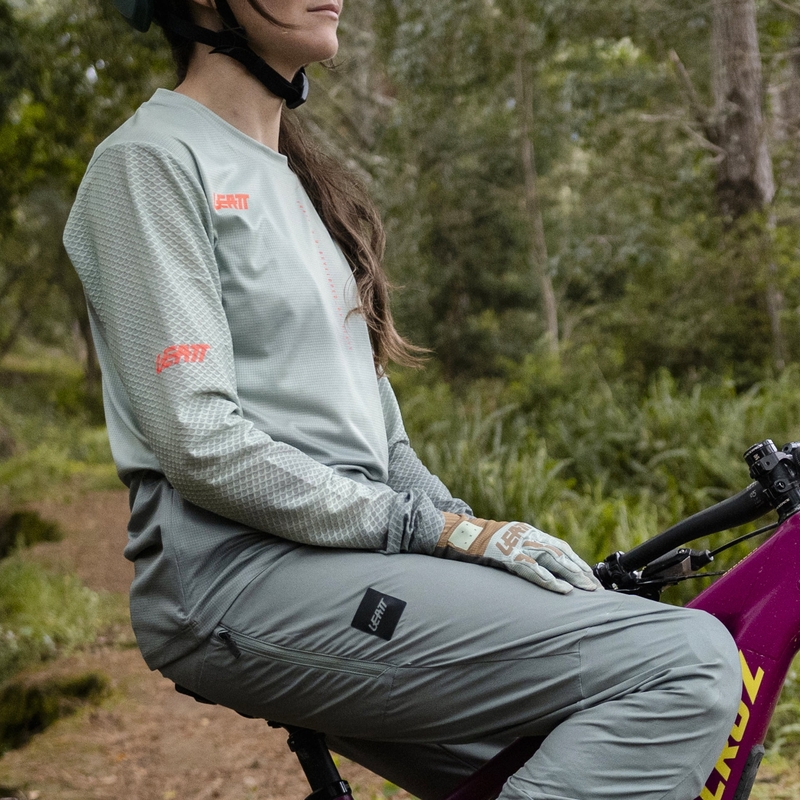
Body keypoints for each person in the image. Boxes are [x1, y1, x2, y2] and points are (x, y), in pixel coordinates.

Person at [63, 1, 742, 798]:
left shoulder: (295, 181)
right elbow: (198, 440)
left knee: (627, 753)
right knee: (687, 662)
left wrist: (476, 533)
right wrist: (433, 530)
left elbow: (384, 444)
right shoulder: (150, 161)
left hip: (347, 562)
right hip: (238, 576)